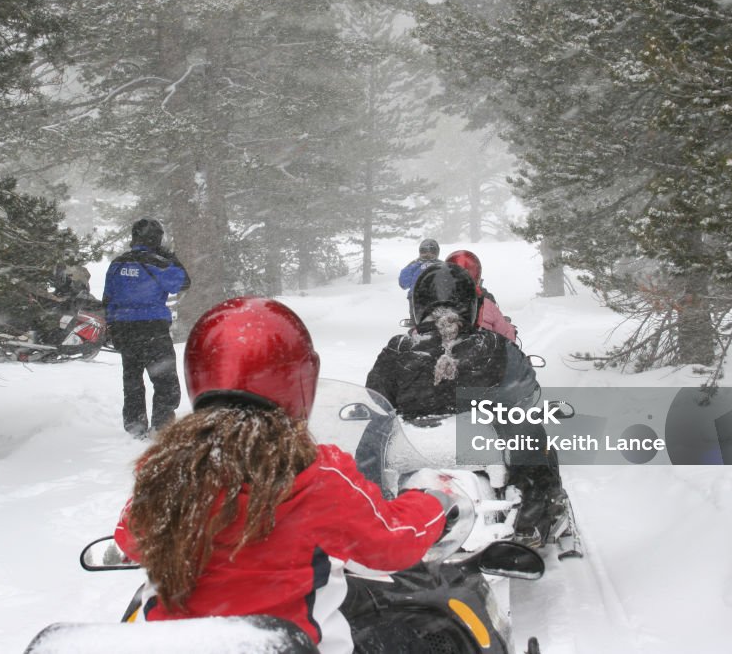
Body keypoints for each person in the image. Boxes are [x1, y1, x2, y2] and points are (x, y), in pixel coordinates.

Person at [112, 297, 450, 653]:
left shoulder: (164, 472)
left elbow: (128, 537)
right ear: (301, 376)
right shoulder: (317, 476)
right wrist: (432, 498)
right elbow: (392, 544)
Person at [366, 261, 565, 547]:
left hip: (411, 444)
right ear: (472, 305)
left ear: (418, 306)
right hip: (476, 439)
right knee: (529, 433)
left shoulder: (399, 348)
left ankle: (365, 515)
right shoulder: (494, 345)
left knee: (369, 441)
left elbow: (375, 397)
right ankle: (531, 517)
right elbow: (524, 385)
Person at [102, 218, 189, 437]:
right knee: (165, 380)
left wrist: (112, 326)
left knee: (132, 379)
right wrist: (171, 257)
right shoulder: (158, 263)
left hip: (124, 329)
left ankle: (135, 426)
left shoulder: (118, 264)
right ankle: (161, 428)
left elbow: (108, 298)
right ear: (157, 238)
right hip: (153, 330)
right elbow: (182, 282)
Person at [445, 249, 517, 342]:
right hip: (480, 353)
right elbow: (507, 336)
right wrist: (511, 329)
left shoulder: (434, 301)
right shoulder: (486, 302)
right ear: (476, 274)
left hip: (441, 354)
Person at [398, 238, 441, 319]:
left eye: (432, 251)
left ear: (436, 253)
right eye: (424, 251)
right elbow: (403, 283)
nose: (428, 254)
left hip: (439, 297)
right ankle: (416, 328)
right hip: (417, 297)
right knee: (418, 319)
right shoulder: (414, 265)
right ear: (420, 252)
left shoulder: (442, 265)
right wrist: (414, 266)